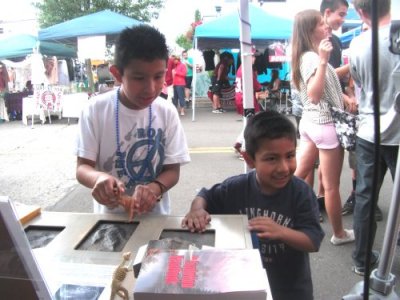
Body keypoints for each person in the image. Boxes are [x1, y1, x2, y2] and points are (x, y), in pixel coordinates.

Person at [182, 110, 324, 300]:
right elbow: (205, 195)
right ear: (250, 160)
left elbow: (313, 241)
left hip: (290, 289)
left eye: (289, 156)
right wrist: (197, 209)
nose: (283, 167)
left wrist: (281, 231)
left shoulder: (301, 193)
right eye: (272, 158)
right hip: (243, 284)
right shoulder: (236, 188)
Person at [74, 25, 191, 219]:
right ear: (117, 74)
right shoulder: (95, 110)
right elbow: (82, 167)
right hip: (108, 220)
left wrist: (154, 188)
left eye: (158, 76)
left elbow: (172, 170)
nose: (151, 88)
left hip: (155, 219)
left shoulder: (167, 111)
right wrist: (99, 178)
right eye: (139, 78)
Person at [291, 9, 354, 245]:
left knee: (296, 176)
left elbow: (323, 85)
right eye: (320, 24)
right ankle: (339, 234)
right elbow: (315, 94)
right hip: (324, 124)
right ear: (310, 30)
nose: (326, 26)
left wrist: (344, 96)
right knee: (331, 186)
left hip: (310, 123)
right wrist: (324, 59)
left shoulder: (304, 56)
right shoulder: (312, 57)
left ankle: (278, 210)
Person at [349, 0, 400, 276]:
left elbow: (359, 82)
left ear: (360, 11)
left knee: (365, 197)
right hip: (397, 135)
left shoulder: (357, 45)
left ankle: (361, 258)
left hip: (369, 131)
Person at [233, 48, 266, 158]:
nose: (254, 58)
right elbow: (257, 86)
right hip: (246, 99)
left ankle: (239, 143)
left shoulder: (241, 68)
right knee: (251, 124)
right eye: (252, 56)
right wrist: (263, 90)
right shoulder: (247, 69)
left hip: (240, 98)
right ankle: (244, 149)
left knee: (249, 122)